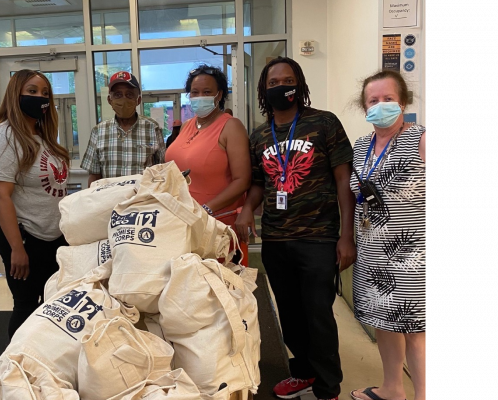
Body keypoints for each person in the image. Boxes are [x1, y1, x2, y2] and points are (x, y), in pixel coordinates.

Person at [235, 56, 356, 400]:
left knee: (317, 312)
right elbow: (258, 184)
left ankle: (328, 386)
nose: (280, 87)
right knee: (288, 312)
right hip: (276, 238)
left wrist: (346, 236)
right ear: (263, 90)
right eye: (273, 83)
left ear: (299, 84)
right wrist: (246, 211)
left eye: (287, 80)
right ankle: (302, 372)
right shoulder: (259, 135)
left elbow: (343, 180)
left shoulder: (323, 123)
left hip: (318, 237)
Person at [348, 70, 426, 400]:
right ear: (364, 107)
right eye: (373, 100)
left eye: (388, 99)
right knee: (384, 324)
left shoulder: (420, 138)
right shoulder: (362, 144)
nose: (381, 106)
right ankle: (392, 388)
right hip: (371, 255)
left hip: (410, 256)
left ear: (403, 102)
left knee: (415, 333)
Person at [0, 69, 70, 341]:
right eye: (32, 91)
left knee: (51, 303)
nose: (40, 97)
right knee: (26, 306)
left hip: (51, 237)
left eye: (45, 93)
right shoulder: (5, 136)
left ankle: (45, 360)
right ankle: (17, 369)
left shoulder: (42, 136)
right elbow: (0, 194)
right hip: (23, 238)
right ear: (15, 93)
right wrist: (17, 250)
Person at [165, 64, 251, 266]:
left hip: (218, 226)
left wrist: (205, 210)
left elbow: (242, 180)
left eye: (207, 92)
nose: (199, 96)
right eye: (194, 92)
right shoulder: (187, 125)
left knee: (223, 289)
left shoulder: (231, 126)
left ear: (219, 95)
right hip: (185, 224)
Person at [81, 71, 166, 186]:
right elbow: (94, 176)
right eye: (118, 95)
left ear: (138, 100)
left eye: (129, 94)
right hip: (109, 201)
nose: (123, 99)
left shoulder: (152, 128)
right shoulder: (98, 131)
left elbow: (163, 171)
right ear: (109, 100)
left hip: (142, 201)